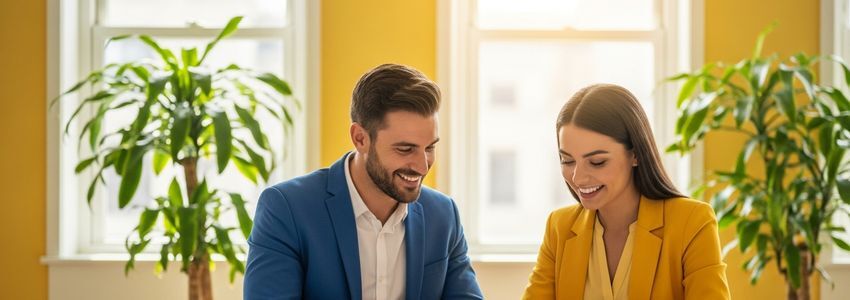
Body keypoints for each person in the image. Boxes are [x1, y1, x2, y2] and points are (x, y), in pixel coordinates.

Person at [244, 63, 483, 300]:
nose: (422, 166)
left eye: (429, 147)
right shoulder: (287, 209)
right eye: (405, 149)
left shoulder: (443, 215)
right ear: (360, 138)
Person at [522, 84, 730, 299]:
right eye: (568, 160)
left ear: (635, 154)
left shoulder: (692, 222)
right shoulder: (560, 227)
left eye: (597, 162)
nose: (577, 177)